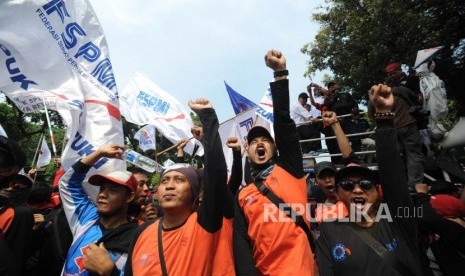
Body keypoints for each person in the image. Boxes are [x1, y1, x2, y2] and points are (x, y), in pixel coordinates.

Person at [315, 84, 424, 275]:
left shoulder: (396, 218)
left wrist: (383, 115)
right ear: (339, 193)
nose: (357, 189)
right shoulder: (329, 230)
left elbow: (392, 171)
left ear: (377, 190)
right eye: (348, 185)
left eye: (365, 184)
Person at [125, 98, 227, 275]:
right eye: (165, 181)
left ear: (195, 192)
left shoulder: (203, 224)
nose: (170, 186)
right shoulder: (141, 234)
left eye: (179, 180)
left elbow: (216, 176)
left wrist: (208, 118)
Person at [234, 49, 314, 275]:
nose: (259, 143)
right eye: (253, 141)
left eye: (265, 140)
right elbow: (241, 244)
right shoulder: (242, 195)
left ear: (275, 148)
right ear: (247, 151)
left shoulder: (290, 171)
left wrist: (280, 75)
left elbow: (284, 125)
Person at [59, 146, 139, 275]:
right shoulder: (87, 219)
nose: (102, 194)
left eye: (112, 190)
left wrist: (110, 272)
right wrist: (98, 153)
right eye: (102, 189)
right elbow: (67, 184)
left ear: (129, 197)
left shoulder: (137, 239)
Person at [368, 64, 425, 189]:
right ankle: (415, 185)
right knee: (414, 154)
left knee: (398, 156)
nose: (392, 76)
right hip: (407, 124)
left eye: (393, 73)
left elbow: (371, 117)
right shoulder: (400, 89)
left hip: (390, 129)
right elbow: (419, 98)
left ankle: (400, 184)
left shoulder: (373, 98)